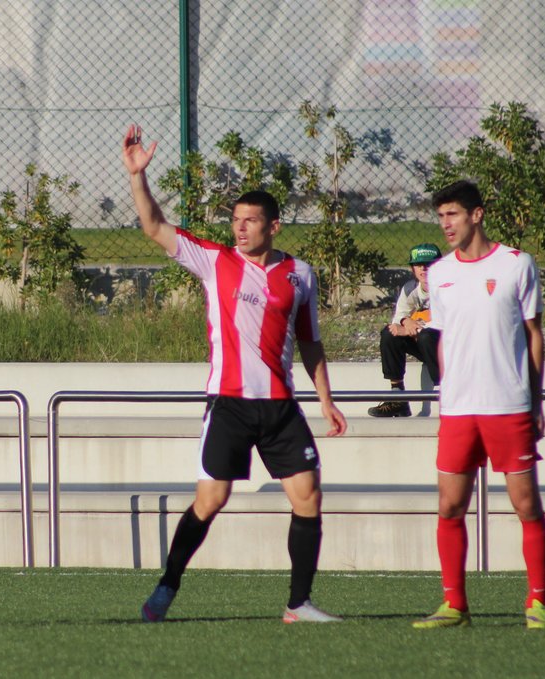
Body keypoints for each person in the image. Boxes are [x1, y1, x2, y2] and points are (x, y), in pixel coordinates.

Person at [122, 125, 348, 624]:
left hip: (280, 407)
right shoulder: (214, 261)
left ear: (274, 226)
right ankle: (167, 585)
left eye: (250, 221)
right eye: (235, 220)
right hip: (228, 404)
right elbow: (154, 227)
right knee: (211, 499)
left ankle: (298, 604)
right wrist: (138, 176)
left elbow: (310, 341)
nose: (240, 228)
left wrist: (325, 399)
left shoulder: (300, 274)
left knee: (308, 497)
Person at [413, 180, 545, 630]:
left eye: (452, 214)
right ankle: (455, 605)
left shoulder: (516, 264)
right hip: (458, 409)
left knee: (526, 505)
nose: (445, 224)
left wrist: (536, 401)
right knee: (449, 506)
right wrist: (445, 392)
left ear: (477, 214)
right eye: (440, 216)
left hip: (508, 405)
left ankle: (537, 602)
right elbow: (444, 338)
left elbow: (534, 335)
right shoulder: (439, 273)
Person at [367, 243, 442, 417]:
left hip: (448, 348)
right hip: (425, 343)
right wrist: (405, 321)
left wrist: (415, 327)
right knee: (389, 334)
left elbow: (449, 322)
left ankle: (446, 391)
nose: (424, 268)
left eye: (429, 264)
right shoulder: (410, 289)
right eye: (418, 265)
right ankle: (397, 397)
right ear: (412, 269)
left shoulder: (447, 288)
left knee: (426, 336)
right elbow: (398, 320)